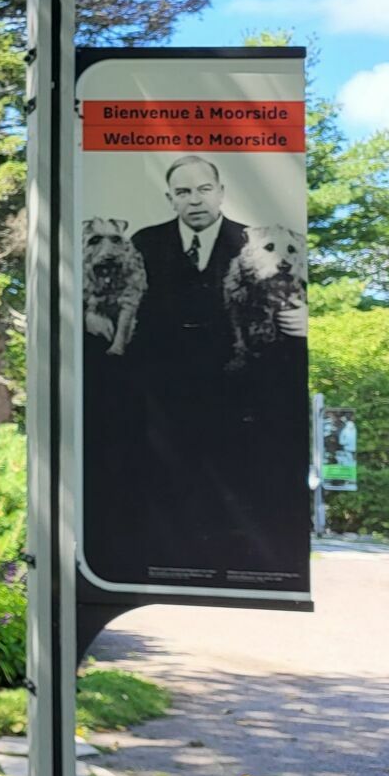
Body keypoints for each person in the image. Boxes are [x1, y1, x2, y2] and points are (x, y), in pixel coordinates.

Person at [125, 154, 307, 577]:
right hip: (163, 394)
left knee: (233, 485)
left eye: (204, 189)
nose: (195, 200)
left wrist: (304, 320)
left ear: (221, 193)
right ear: (170, 198)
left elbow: (293, 293)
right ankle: (170, 561)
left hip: (237, 394)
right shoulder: (145, 242)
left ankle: (227, 562)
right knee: (166, 485)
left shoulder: (255, 241)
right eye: (184, 192)